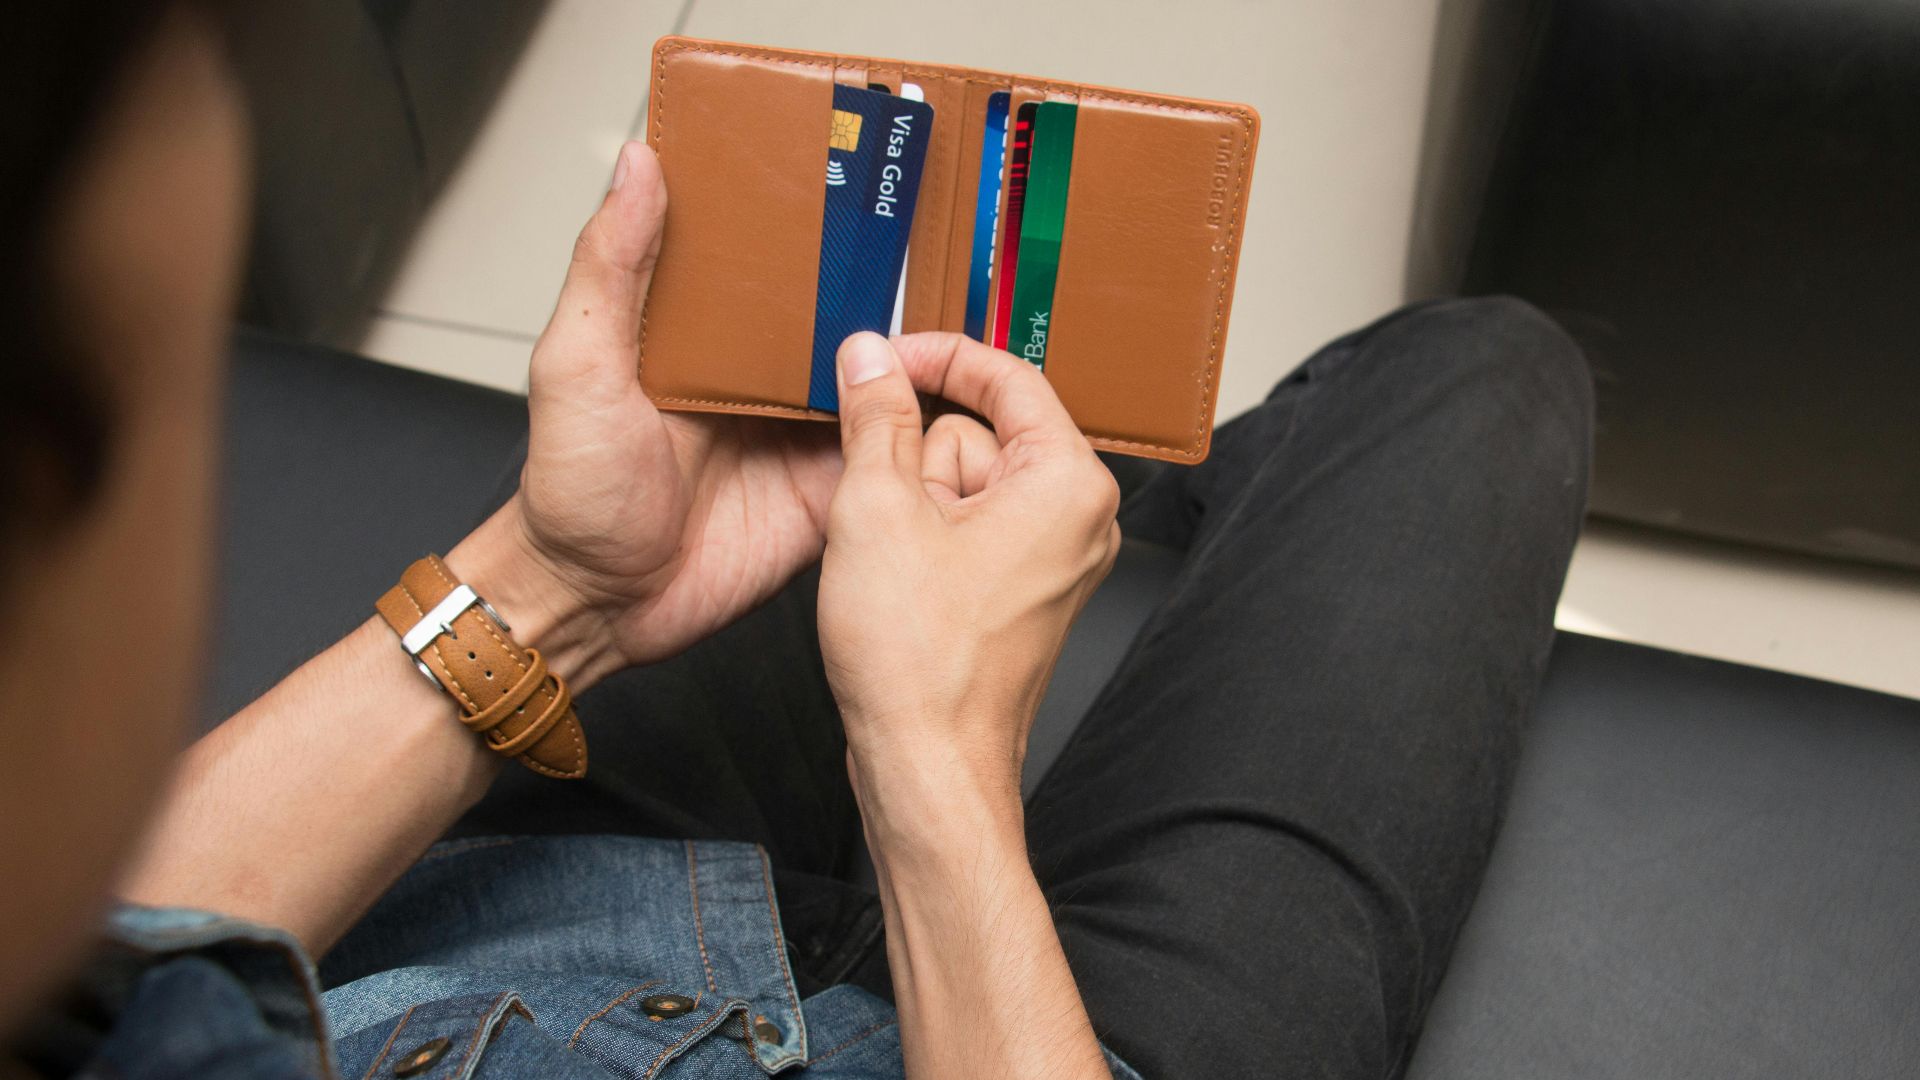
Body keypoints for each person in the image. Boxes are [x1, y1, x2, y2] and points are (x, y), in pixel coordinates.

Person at [0, 4, 1592, 1078]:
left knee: (939, 395)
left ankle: (1122, 515)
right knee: (1474, 378)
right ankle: (1157, 520)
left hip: (498, 912)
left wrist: (564, 586)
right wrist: (933, 766)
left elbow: (114, 966)